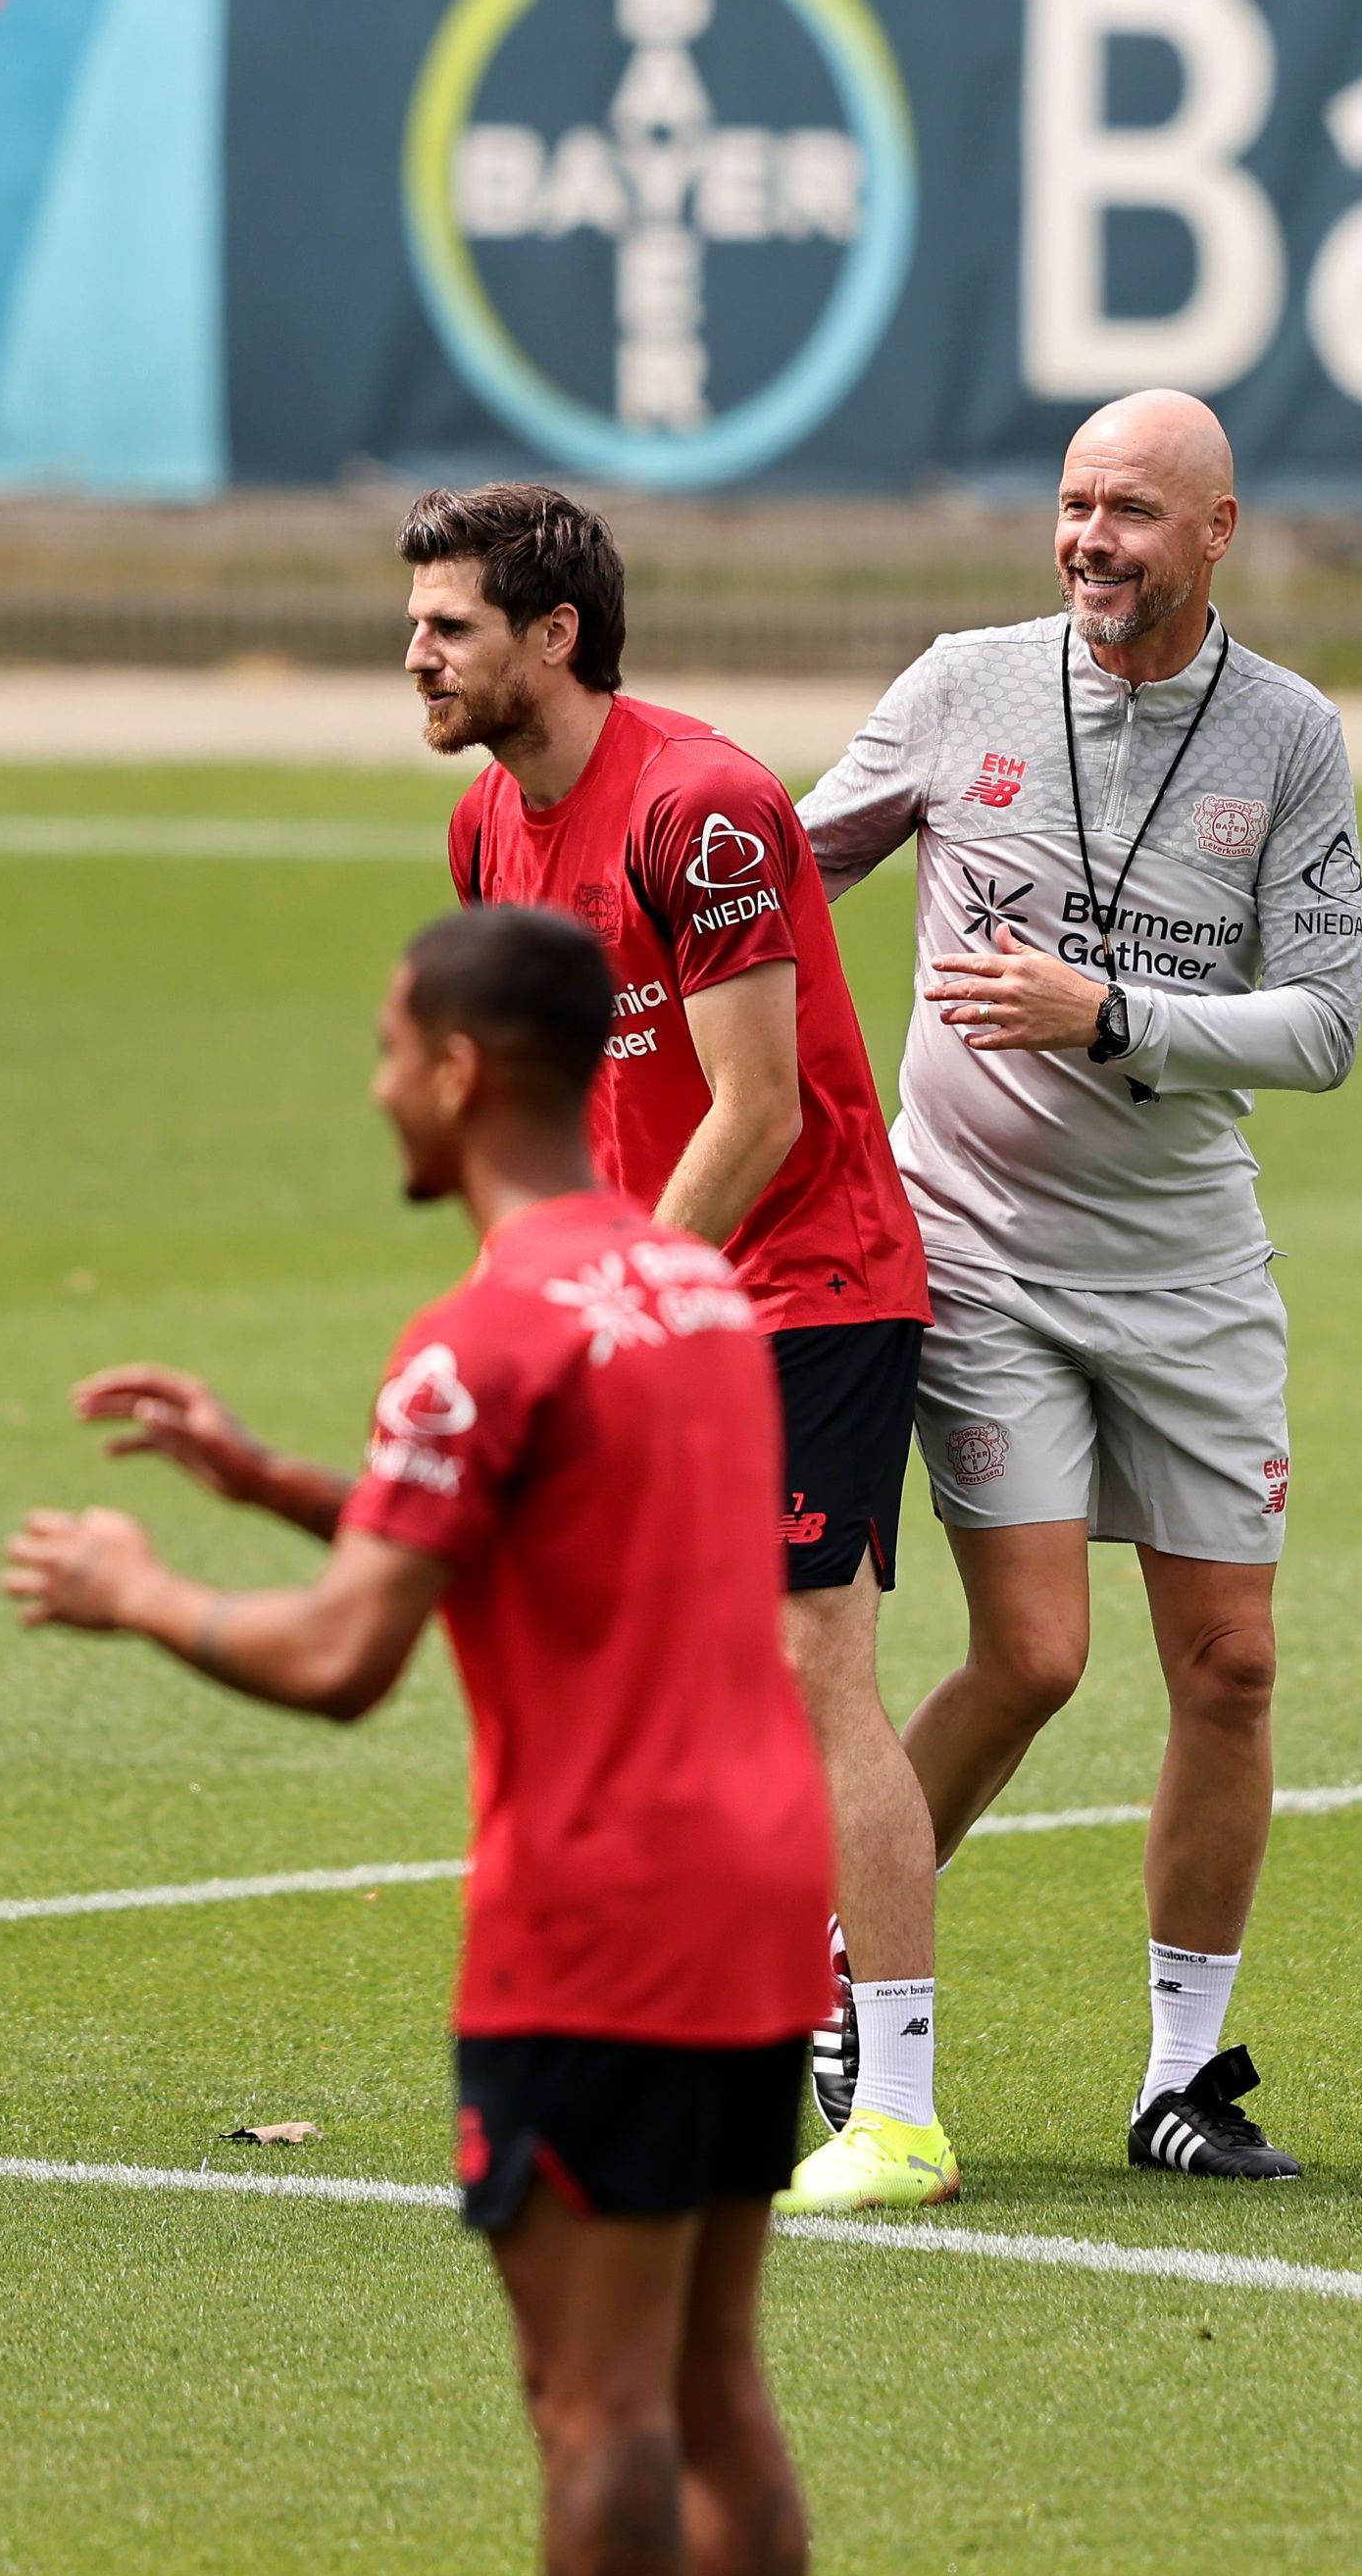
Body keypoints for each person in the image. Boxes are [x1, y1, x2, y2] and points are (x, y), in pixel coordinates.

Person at [5, 907, 837, 2576]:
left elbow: (348, 1661)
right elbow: (536, 1539)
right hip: (757, 1883)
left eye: (385, 1047)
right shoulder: (688, 1285)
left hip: (599, 1918)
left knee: (598, 2414)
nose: (371, 1080)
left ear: (466, 1069)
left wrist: (145, 1594)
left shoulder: (482, 1332)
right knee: (723, 2388)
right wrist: (268, 1472)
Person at [796, 389, 1362, 2183]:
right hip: (969, 1253)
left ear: (1217, 532)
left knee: (1234, 1667)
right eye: (1071, 504)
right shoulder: (958, 685)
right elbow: (783, 874)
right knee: (1034, 1655)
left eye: (1130, 511)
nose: (1090, 540)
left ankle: (1181, 2081)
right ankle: (843, 1972)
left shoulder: (1289, 735)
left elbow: (1326, 1025)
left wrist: (1107, 1012)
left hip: (1191, 1268)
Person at [397, 483, 957, 2220]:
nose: (415, 652)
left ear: (552, 637)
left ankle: (902, 2111)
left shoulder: (703, 809)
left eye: (451, 626)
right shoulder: (491, 826)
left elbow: (761, 1108)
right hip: (654, 1298)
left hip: (806, 1286)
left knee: (811, 1668)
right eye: (414, 622)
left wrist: (608, 1306)